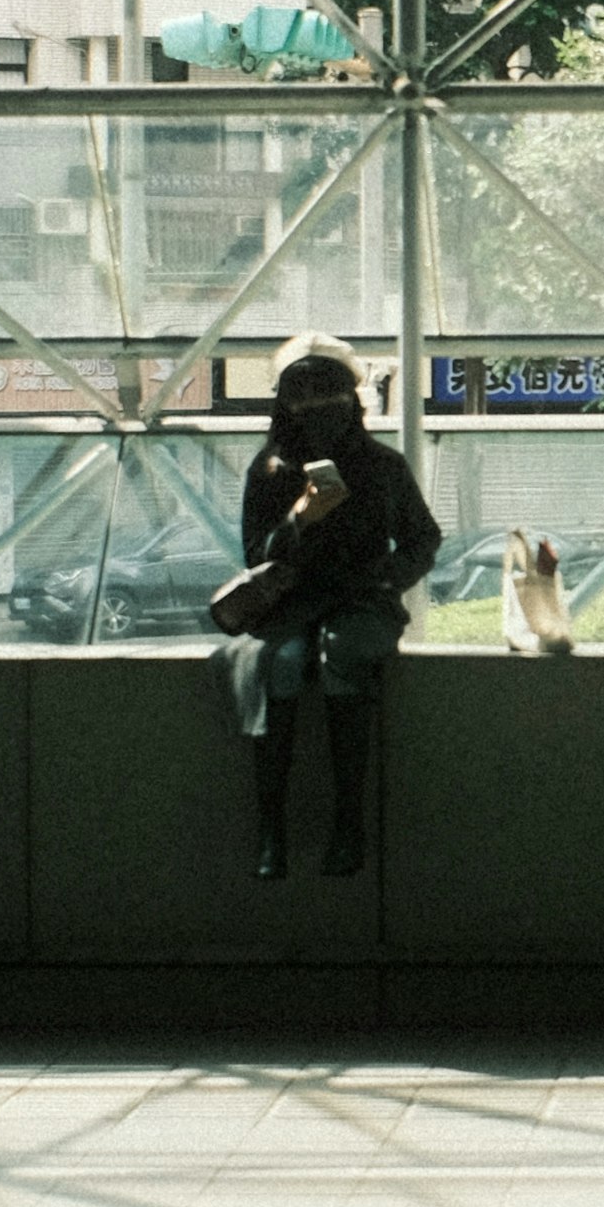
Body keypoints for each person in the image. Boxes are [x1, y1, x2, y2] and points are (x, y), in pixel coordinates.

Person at [226, 335, 440, 880]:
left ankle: (350, 824)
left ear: (354, 404)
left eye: (333, 400)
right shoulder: (270, 472)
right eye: (307, 402)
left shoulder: (384, 467)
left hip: (361, 601)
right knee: (282, 664)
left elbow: (422, 538)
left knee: (343, 657)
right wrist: (302, 516)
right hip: (290, 605)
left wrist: (387, 580)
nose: (321, 414)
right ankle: (270, 829)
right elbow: (256, 556)